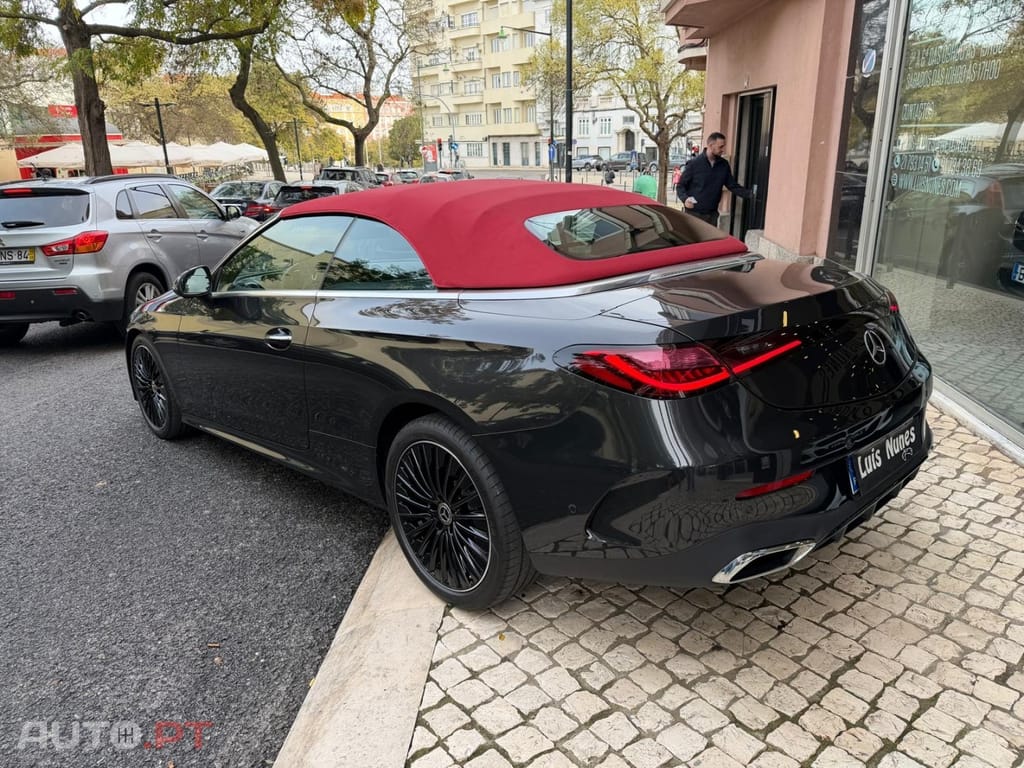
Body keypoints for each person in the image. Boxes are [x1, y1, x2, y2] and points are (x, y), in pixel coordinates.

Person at [676, 132, 753, 227]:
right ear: (711, 145)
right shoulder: (694, 164)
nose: (723, 150)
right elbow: (680, 186)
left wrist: (750, 194)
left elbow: (732, 186)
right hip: (694, 214)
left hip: (712, 215)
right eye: (720, 147)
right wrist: (685, 199)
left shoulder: (724, 165)